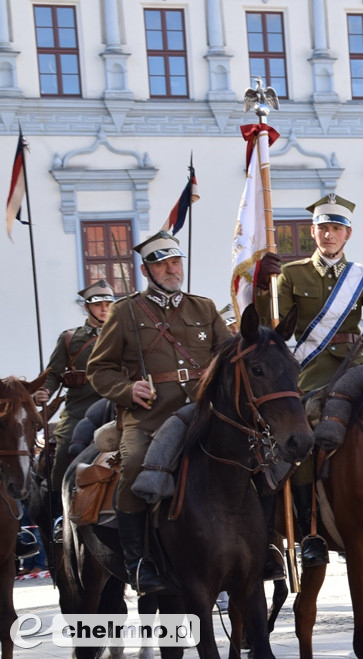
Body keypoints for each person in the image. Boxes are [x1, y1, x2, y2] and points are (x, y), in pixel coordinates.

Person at [255, 193, 363, 569]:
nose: (329, 235)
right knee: (301, 438)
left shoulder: (362, 276)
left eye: (336, 228)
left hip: (356, 365)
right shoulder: (291, 274)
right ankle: (310, 531)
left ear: (347, 234)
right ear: (313, 232)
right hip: (311, 371)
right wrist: (261, 285)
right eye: (323, 229)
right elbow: (272, 325)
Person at [87, 231, 230, 595]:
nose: (171, 268)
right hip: (150, 415)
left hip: (203, 410)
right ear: (146, 269)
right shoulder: (125, 310)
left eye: (175, 261)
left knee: (251, 457)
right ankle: (139, 562)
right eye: (162, 263)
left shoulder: (205, 307)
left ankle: (264, 550)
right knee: (134, 464)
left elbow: (230, 356)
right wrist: (127, 389)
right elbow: (99, 369)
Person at [34, 280, 115, 511]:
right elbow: (52, 374)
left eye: (108, 303)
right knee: (64, 447)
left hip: (117, 407)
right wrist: (42, 392)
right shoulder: (70, 338)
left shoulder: (123, 335)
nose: (104, 309)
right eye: (98, 304)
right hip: (79, 410)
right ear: (86, 307)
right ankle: (58, 509)